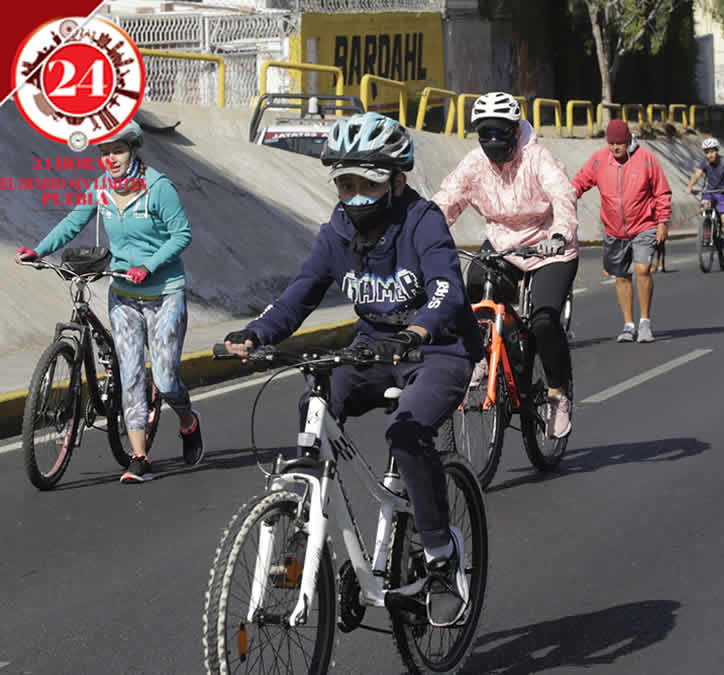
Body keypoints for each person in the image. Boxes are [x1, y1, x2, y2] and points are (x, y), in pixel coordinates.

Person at [223, 112, 484, 627]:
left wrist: (421, 330)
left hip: (438, 349)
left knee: (407, 433)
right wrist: (257, 334)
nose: (356, 194)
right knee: (314, 406)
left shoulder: (422, 219)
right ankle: (302, 531)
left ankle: (439, 555)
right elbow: (303, 290)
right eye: (345, 183)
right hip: (373, 349)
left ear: (397, 181)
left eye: (368, 183)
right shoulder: (338, 230)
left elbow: (445, 289)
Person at [15, 120, 202, 483]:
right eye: (103, 152)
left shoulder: (157, 188)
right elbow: (73, 221)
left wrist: (148, 265)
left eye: (117, 150)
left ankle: (187, 420)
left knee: (164, 380)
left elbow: (182, 234)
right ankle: (139, 457)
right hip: (124, 295)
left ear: (133, 148)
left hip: (164, 293)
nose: (110, 159)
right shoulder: (100, 189)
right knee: (130, 374)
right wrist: (38, 249)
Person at [434, 92, 580, 436]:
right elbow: (447, 200)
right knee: (473, 293)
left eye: (500, 132)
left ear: (516, 131)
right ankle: (482, 357)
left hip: (549, 248)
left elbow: (563, 196)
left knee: (544, 321)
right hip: (502, 245)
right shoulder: (474, 164)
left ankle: (558, 395)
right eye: (485, 133)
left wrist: (559, 234)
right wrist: (420, 233)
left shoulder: (538, 159)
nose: (493, 140)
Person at [573, 119, 671, 343]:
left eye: (620, 143)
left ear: (628, 141)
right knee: (621, 276)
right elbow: (580, 182)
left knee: (642, 269)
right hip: (614, 229)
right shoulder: (599, 161)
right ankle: (629, 325)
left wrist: (662, 221)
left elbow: (662, 192)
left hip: (644, 225)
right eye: (612, 143)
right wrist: (565, 197)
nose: (616, 147)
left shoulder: (646, 159)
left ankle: (645, 322)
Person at [686, 138, 724, 262]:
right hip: (709, 193)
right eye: (707, 152)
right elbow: (697, 175)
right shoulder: (705, 163)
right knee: (704, 207)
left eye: (712, 152)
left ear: (717, 151)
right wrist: (690, 186)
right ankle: (707, 232)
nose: (709, 155)